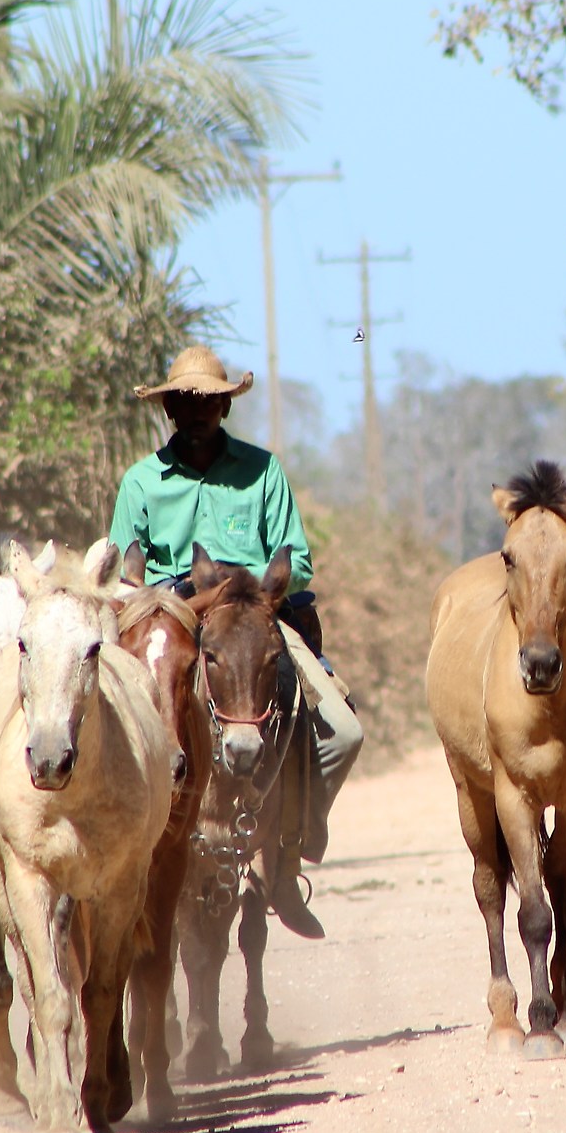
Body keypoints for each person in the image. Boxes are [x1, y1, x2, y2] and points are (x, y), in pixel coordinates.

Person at [108, 345, 364, 938]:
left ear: (225, 408)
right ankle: (130, 855)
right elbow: (123, 578)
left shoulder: (262, 471)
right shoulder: (141, 482)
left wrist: (247, 584)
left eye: (209, 402)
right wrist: (167, 599)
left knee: (344, 733)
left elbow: (297, 559)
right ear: (169, 407)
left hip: (253, 615)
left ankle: (286, 856)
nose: (196, 411)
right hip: (172, 620)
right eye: (185, 401)